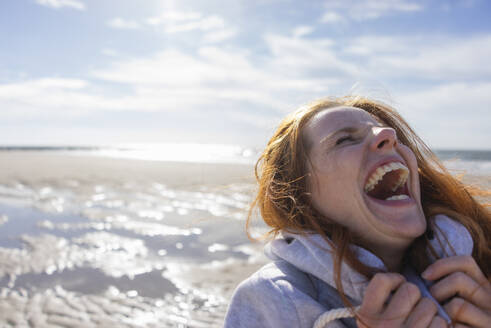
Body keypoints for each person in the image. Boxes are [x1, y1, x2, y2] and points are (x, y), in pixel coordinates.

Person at [224, 96, 491, 328]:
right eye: (344, 140)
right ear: (299, 194)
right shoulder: (272, 299)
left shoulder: (476, 262)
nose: (388, 135)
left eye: (387, 132)